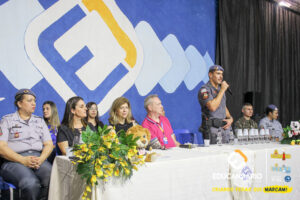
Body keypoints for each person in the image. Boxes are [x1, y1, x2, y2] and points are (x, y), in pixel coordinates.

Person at [0, 89, 53, 200]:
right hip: (14, 160)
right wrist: (22, 160)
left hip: (38, 159)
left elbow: (48, 144)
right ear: (19, 104)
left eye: (34, 101)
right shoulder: (7, 120)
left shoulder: (39, 121)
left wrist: (41, 159)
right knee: (31, 183)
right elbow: (1, 147)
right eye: (29, 101)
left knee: (52, 179)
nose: (34, 103)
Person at [198, 65, 233, 144]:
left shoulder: (220, 89)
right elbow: (212, 107)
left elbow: (223, 106)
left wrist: (230, 118)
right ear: (210, 75)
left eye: (222, 74)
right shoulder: (205, 90)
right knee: (216, 154)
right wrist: (223, 90)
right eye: (218, 74)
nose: (221, 77)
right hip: (212, 128)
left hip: (224, 127)